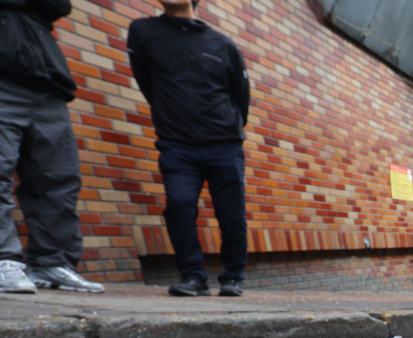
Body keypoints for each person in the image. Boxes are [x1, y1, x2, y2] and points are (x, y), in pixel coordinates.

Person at [128, 0, 250, 297]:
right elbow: (147, 82)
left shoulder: (222, 43)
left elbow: (240, 95)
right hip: (177, 144)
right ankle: (193, 275)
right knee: (180, 205)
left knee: (232, 214)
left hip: (224, 144)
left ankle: (233, 276)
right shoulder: (143, 31)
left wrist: (226, 127)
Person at [0, 0, 105, 293]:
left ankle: (52, 262)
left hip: (47, 80)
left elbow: (59, 5)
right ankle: (3, 261)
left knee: (59, 178)